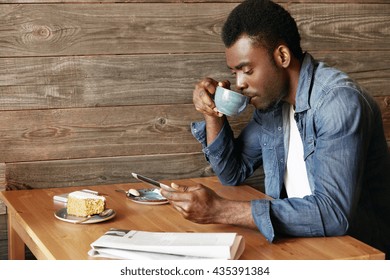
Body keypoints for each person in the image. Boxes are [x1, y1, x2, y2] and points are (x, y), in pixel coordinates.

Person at [161, 0, 390, 258]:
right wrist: (212, 113)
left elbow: (333, 213)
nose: (240, 84)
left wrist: (222, 210)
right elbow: (231, 173)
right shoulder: (273, 106)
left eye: (247, 70)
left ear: (282, 56)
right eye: (235, 73)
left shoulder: (337, 102)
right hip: (300, 245)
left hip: (358, 253)